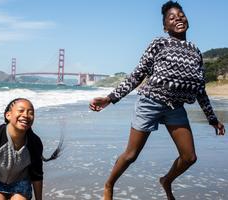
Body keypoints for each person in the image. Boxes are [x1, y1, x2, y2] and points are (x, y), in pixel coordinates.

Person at [89, 1, 226, 200]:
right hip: (150, 102)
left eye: (181, 14)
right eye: (172, 17)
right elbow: (138, 74)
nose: (178, 18)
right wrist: (111, 98)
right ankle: (109, 185)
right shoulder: (159, 43)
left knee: (189, 157)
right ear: (165, 27)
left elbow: (200, 90)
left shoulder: (196, 52)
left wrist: (212, 119)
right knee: (131, 155)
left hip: (176, 108)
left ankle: (166, 180)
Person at [0, 98, 63, 200]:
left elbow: (37, 176)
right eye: (21, 110)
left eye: (30, 112)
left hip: (21, 183)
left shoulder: (34, 143)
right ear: (8, 115)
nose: (26, 115)